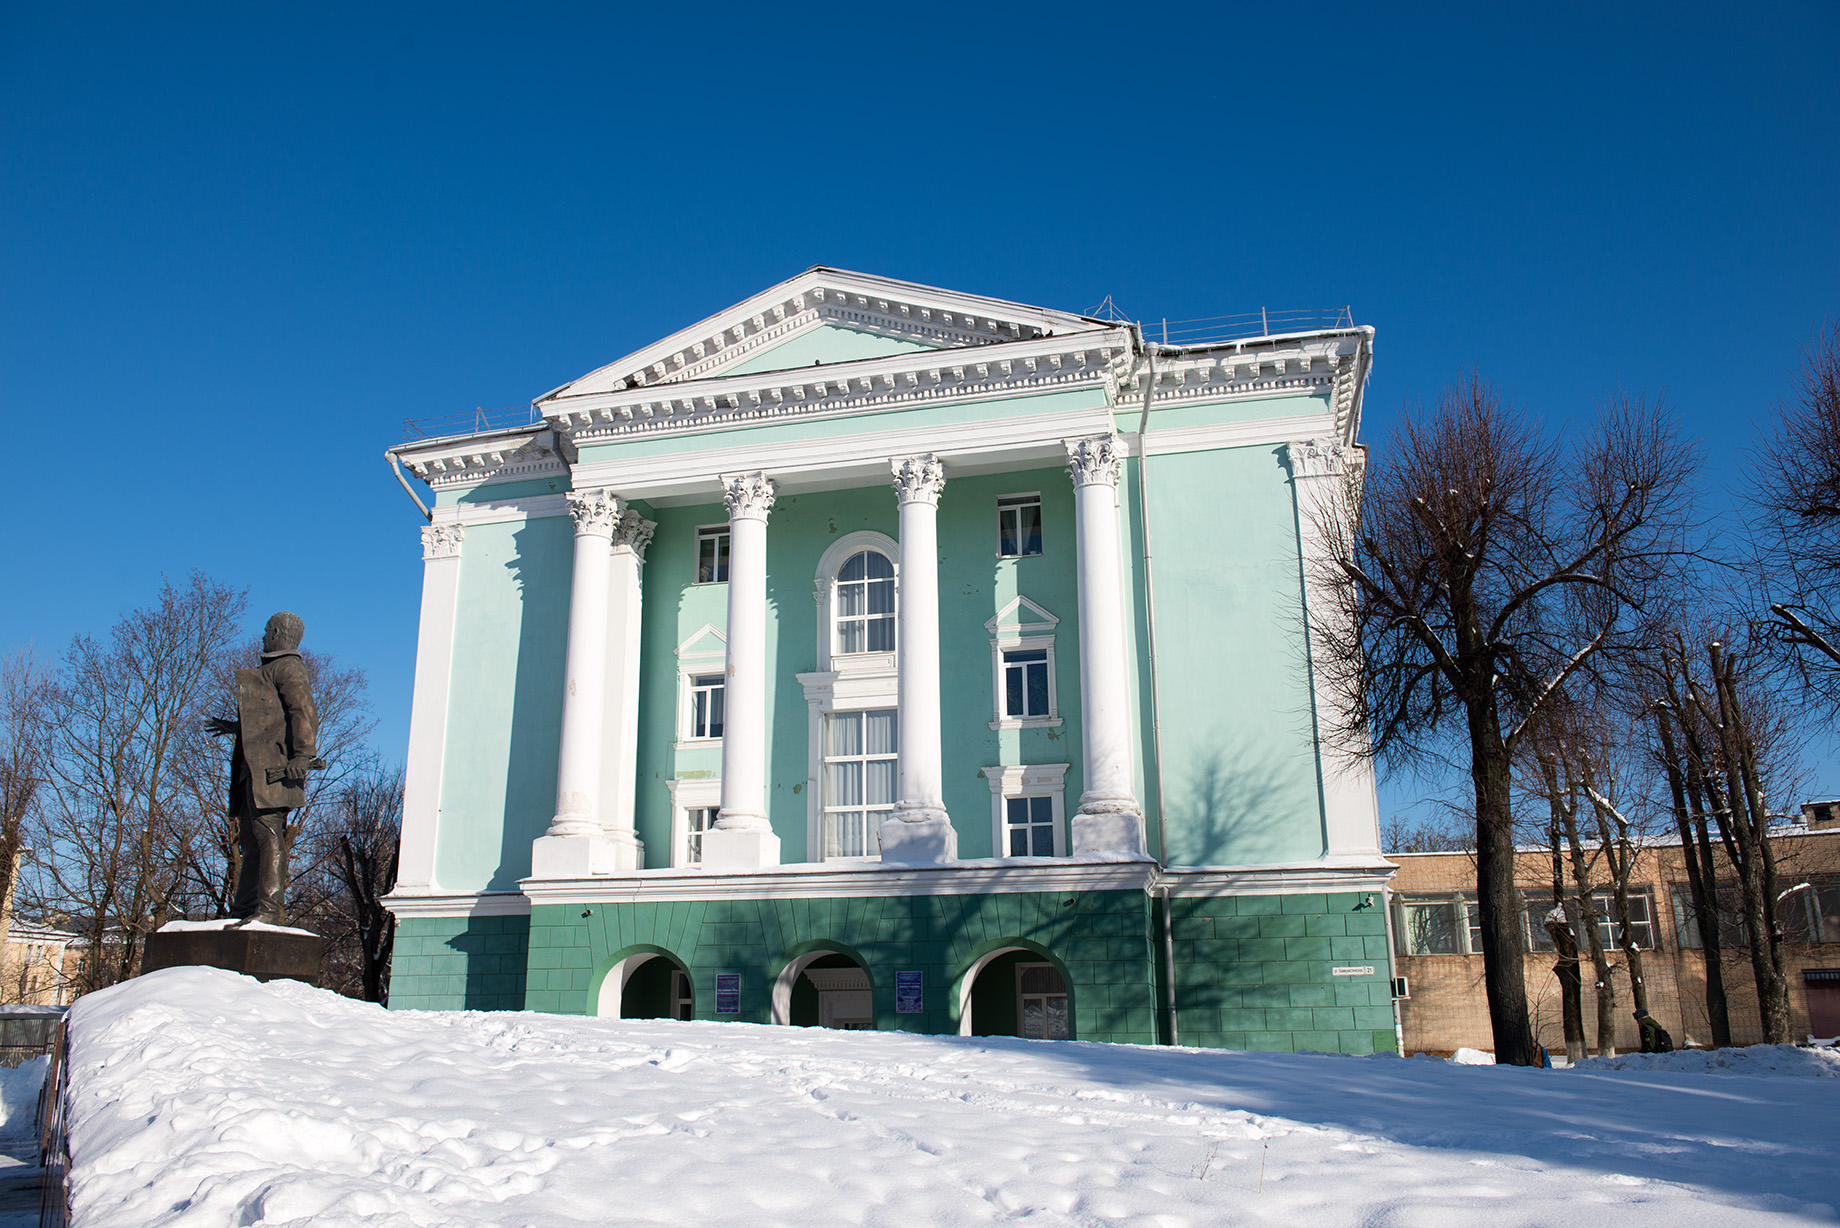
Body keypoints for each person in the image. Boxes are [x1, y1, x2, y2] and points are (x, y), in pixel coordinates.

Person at [205, 612, 324, 926]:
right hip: (252, 766)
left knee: (268, 834)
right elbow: (271, 720)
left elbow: (303, 711)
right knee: (251, 838)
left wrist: (303, 754)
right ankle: (245, 909)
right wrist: (236, 726)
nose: (262, 637)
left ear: (276, 632)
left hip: (274, 768)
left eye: (265, 631)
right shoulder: (269, 669)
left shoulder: (289, 667)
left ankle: (269, 911)